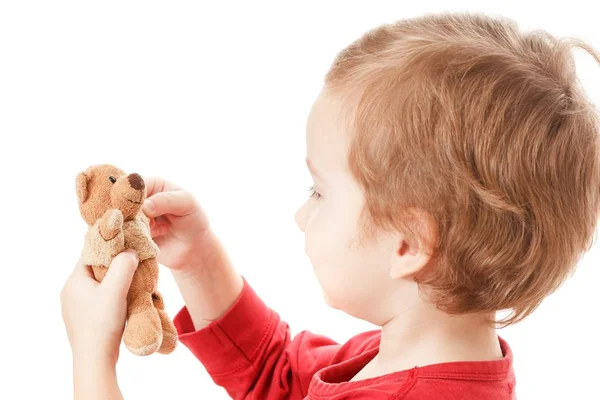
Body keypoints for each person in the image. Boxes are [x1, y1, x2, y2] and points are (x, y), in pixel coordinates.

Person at [60, 11, 600, 399]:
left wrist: (91, 358)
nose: (302, 215)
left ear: (408, 243)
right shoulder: (405, 352)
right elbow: (278, 376)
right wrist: (198, 260)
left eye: (319, 190)